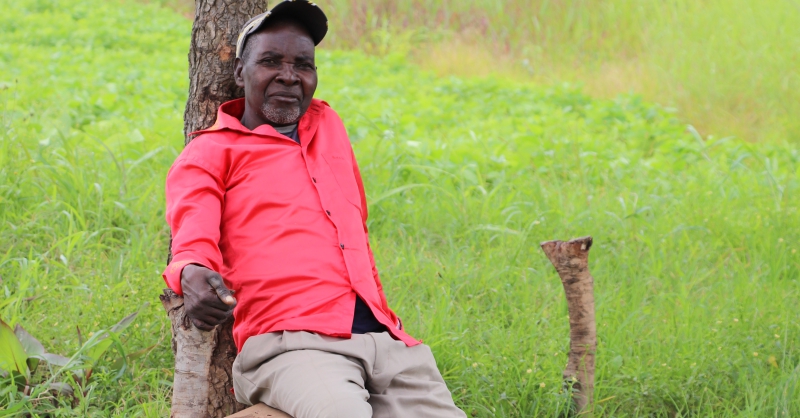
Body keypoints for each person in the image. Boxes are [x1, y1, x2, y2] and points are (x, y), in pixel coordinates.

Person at [162, 2, 466, 417]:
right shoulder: (211, 152)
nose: (289, 76)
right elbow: (191, 239)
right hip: (293, 344)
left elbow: (355, 227)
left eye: (303, 65)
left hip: (387, 341)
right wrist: (193, 275)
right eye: (271, 61)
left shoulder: (328, 127)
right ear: (239, 72)